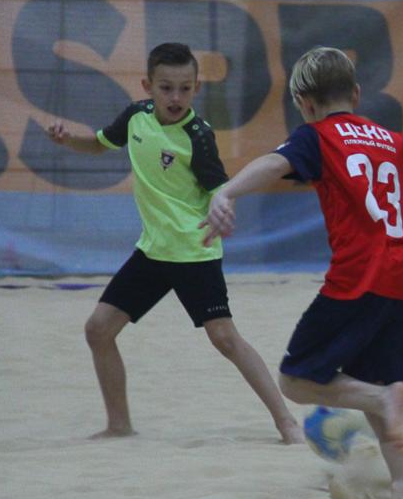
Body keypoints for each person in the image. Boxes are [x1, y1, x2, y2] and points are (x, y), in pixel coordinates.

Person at [201, 46, 403, 499]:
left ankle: (383, 403)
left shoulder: (318, 136)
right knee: (375, 383)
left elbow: (273, 164)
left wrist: (227, 193)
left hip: (359, 277)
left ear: (304, 103)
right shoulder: (394, 142)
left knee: (296, 379)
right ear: (356, 94)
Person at [46, 42, 302, 443]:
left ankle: (286, 423)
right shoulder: (135, 117)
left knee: (225, 338)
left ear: (197, 88)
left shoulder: (198, 136)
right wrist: (69, 141)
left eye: (185, 88)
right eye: (166, 88)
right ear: (148, 86)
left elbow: (221, 189)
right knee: (98, 329)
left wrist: (224, 207)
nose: (176, 98)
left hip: (194, 251)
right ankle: (119, 426)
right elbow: (99, 143)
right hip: (153, 251)